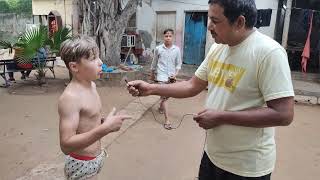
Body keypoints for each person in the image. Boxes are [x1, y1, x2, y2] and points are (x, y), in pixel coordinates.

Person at [127, 0, 295, 179]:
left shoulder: (269, 53)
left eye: (215, 21)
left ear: (239, 22)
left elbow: (283, 114)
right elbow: (192, 85)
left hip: (247, 168)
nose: (209, 26)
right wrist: (151, 89)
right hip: (212, 156)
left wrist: (221, 117)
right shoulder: (217, 48)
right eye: (209, 19)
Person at [58, 35, 131, 180]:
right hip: (81, 163)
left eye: (98, 57)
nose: (101, 62)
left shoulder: (92, 85)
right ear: (74, 67)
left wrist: (104, 123)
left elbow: (88, 123)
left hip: (96, 158)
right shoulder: (70, 98)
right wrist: (105, 129)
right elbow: (66, 145)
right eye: (93, 58)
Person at [150, 28, 182, 129]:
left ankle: (160, 106)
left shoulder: (176, 50)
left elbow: (178, 64)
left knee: (166, 96)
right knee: (165, 97)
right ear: (163, 37)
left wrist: (175, 74)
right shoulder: (158, 49)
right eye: (166, 36)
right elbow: (154, 63)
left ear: (173, 37)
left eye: (170, 36)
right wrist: (152, 74)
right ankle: (167, 120)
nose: (168, 38)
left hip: (171, 77)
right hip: (161, 76)